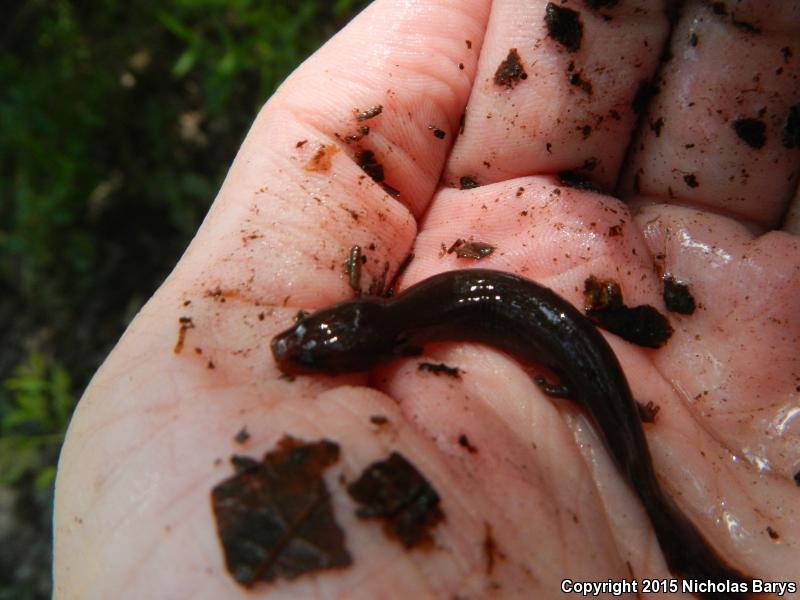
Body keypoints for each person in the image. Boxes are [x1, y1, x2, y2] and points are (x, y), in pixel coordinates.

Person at [53, 1, 799, 597]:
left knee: (639, 472)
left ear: (377, 343)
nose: (298, 350)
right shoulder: (404, 330)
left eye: (313, 345)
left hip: (580, 355)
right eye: (315, 345)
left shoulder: (410, 331)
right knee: (641, 484)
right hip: (572, 361)